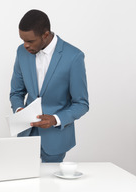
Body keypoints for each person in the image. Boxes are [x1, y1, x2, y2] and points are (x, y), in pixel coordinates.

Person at [10, 9, 89, 162]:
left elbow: (81, 104)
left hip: (56, 139)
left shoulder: (74, 57)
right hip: (26, 135)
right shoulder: (21, 52)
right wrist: (20, 110)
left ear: (45, 35)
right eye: (23, 40)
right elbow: (16, 93)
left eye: (30, 41)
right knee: (22, 183)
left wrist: (55, 119)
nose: (25, 45)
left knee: (50, 185)